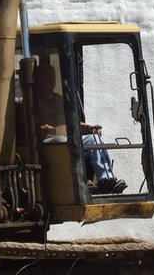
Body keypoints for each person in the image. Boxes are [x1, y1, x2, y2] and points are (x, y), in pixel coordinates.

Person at [33, 60, 126, 194]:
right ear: (39, 80)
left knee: (94, 139)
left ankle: (107, 179)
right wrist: (55, 130)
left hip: (67, 136)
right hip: (48, 143)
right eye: (47, 76)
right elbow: (40, 130)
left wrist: (88, 127)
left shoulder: (61, 100)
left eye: (53, 76)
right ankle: (78, 181)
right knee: (63, 141)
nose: (51, 80)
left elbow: (73, 122)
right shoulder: (33, 104)